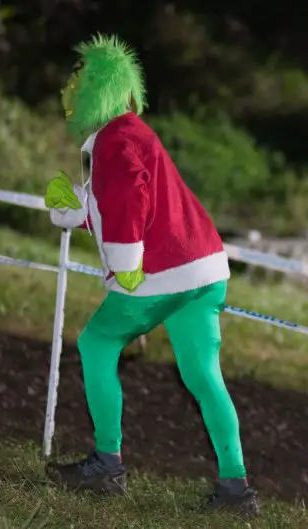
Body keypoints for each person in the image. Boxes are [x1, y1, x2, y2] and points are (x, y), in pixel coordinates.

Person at [42, 33, 258, 517]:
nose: (70, 88)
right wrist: (76, 209)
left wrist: (124, 268)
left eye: (79, 79)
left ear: (98, 89)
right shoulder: (131, 133)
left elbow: (130, 201)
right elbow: (121, 199)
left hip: (157, 275)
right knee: (204, 377)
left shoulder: (116, 141)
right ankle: (236, 489)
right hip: (204, 269)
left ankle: (107, 464)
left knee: (97, 344)